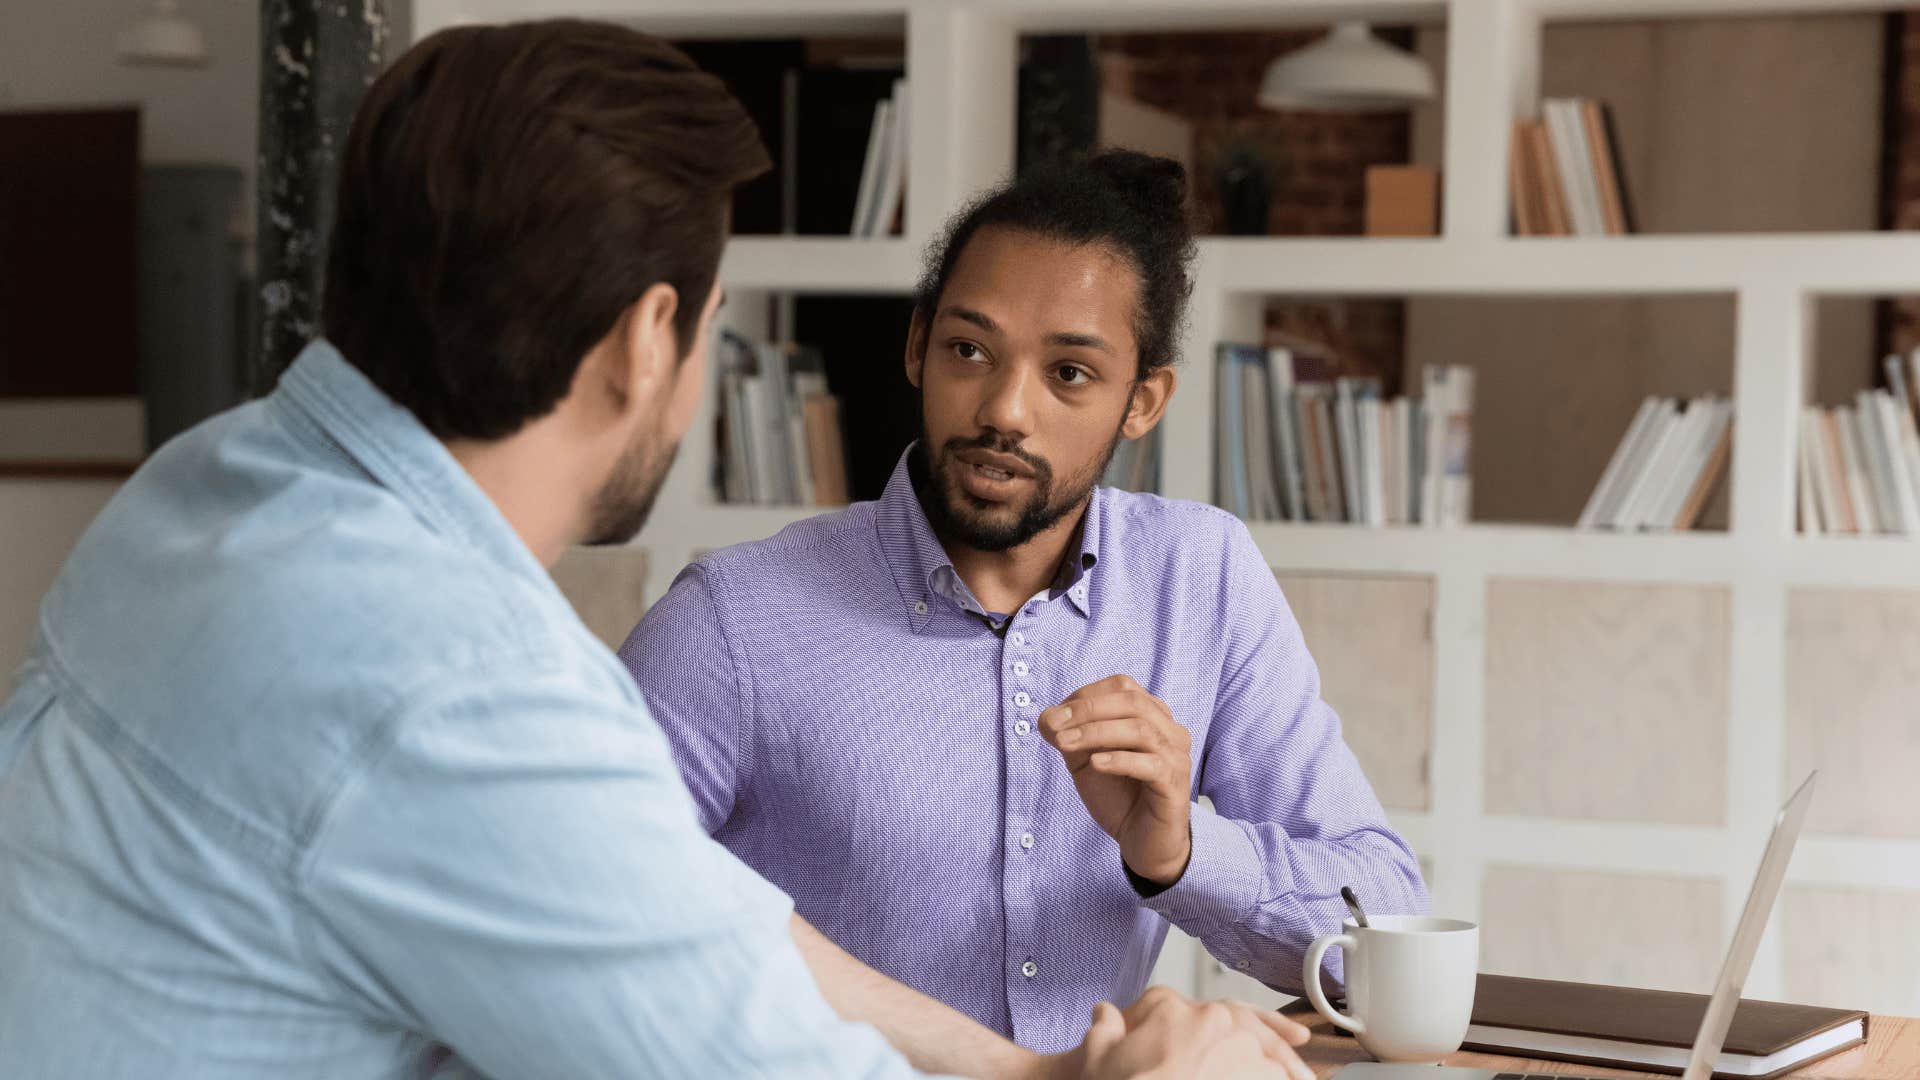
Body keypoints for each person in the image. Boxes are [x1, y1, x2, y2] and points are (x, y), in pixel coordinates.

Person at [0, 22, 1312, 1080]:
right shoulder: (463, 690)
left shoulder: (217, 483)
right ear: (648, 341)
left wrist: (1020, 1073)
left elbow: (692, 914)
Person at [622, 149, 1430, 1052]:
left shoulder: (1200, 579)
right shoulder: (731, 619)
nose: (1006, 409)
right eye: (970, 350)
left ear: (1143, 402)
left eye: (1070, 374)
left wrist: (1180, 856)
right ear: (918, 346)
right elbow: (588, 925)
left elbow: (1388, 932)